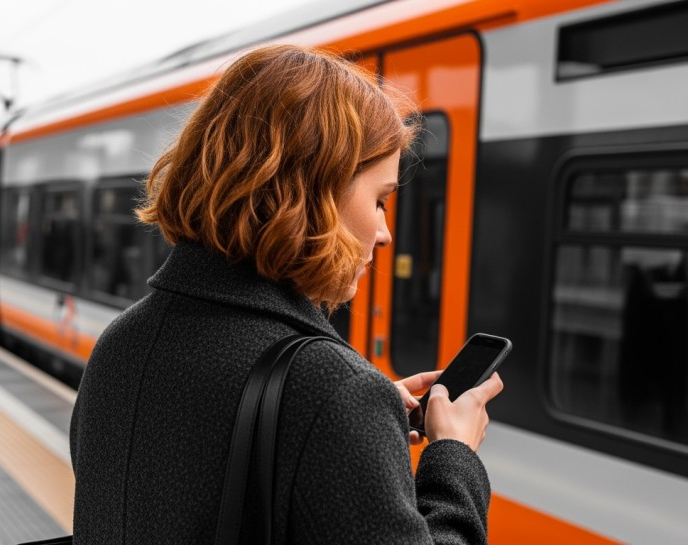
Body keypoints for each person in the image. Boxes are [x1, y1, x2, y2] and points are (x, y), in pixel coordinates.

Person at [69, 44, 504, 544]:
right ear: (315, 195)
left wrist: (364, 419)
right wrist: (454, 455)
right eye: (380, 201)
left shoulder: (120, 343)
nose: (385, 234)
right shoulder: (330, 393)